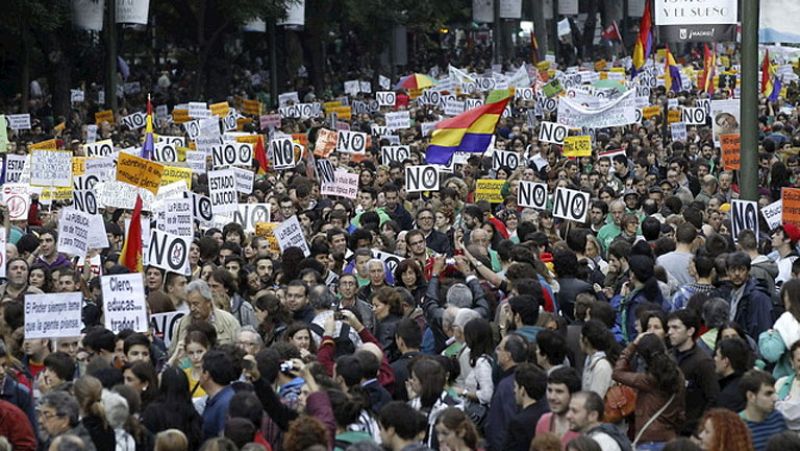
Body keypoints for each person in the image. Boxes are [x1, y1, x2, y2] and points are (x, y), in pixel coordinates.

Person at [612, 333, 685, 447]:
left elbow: (617, 373)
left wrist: (633, 345)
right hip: (670, 438)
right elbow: (681, 412)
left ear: (643, 357)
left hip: (648, 438)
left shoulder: (648, 380)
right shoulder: (678, 375)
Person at [666, 310, 720, 435]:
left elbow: (713, 398)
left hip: (690, 431)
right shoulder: (668, 357)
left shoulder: (703, 362)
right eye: (669, 328)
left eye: (675, 328)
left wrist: (698, 429)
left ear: (690, 331)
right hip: (668, 428)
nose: (670, 332)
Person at [169, 280, 240, 356]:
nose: (192, 308)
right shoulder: (182, 324)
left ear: (208, 302)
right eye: (189, 304)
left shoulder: (228, 321)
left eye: (196, 304)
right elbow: (172, 353)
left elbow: (239, 351)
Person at [485, 333, 528, 451]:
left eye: (499, 349)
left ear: (508, 355)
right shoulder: (520, 379)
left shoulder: (509, 385)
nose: (496, 352)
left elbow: (508, 424)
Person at [566, 391, 632, 451]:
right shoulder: (592, 438)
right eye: (569, 410)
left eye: (574, 411)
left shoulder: (602, 442)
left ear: (593, 415)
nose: (568, 416)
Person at [739, 370, 787, 451]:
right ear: (750, 396)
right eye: (768, 394)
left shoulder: (777, 418)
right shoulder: (736, 426)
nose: (775, 398)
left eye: (774, 393)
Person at [504, 362, 548, 451]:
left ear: (522, 390)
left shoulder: (518, 423)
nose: (514, 390)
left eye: (516, 386)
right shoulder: (547, 413)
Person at [536, 367, 582, 447]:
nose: (552, 397)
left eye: (559, 391)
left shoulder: (582, 427)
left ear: (573, 395)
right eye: (550, 390)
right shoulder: (543, 422)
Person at [200, 349, 240, 440]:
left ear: (206, 374)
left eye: (200, 369)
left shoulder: (225, 404)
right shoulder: (216, 399)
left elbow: (224, 442)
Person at [715, 337, 752, 412]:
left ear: (726, 361)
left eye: (717, 356)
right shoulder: (752, 382)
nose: (714, 359)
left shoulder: (727, 396)